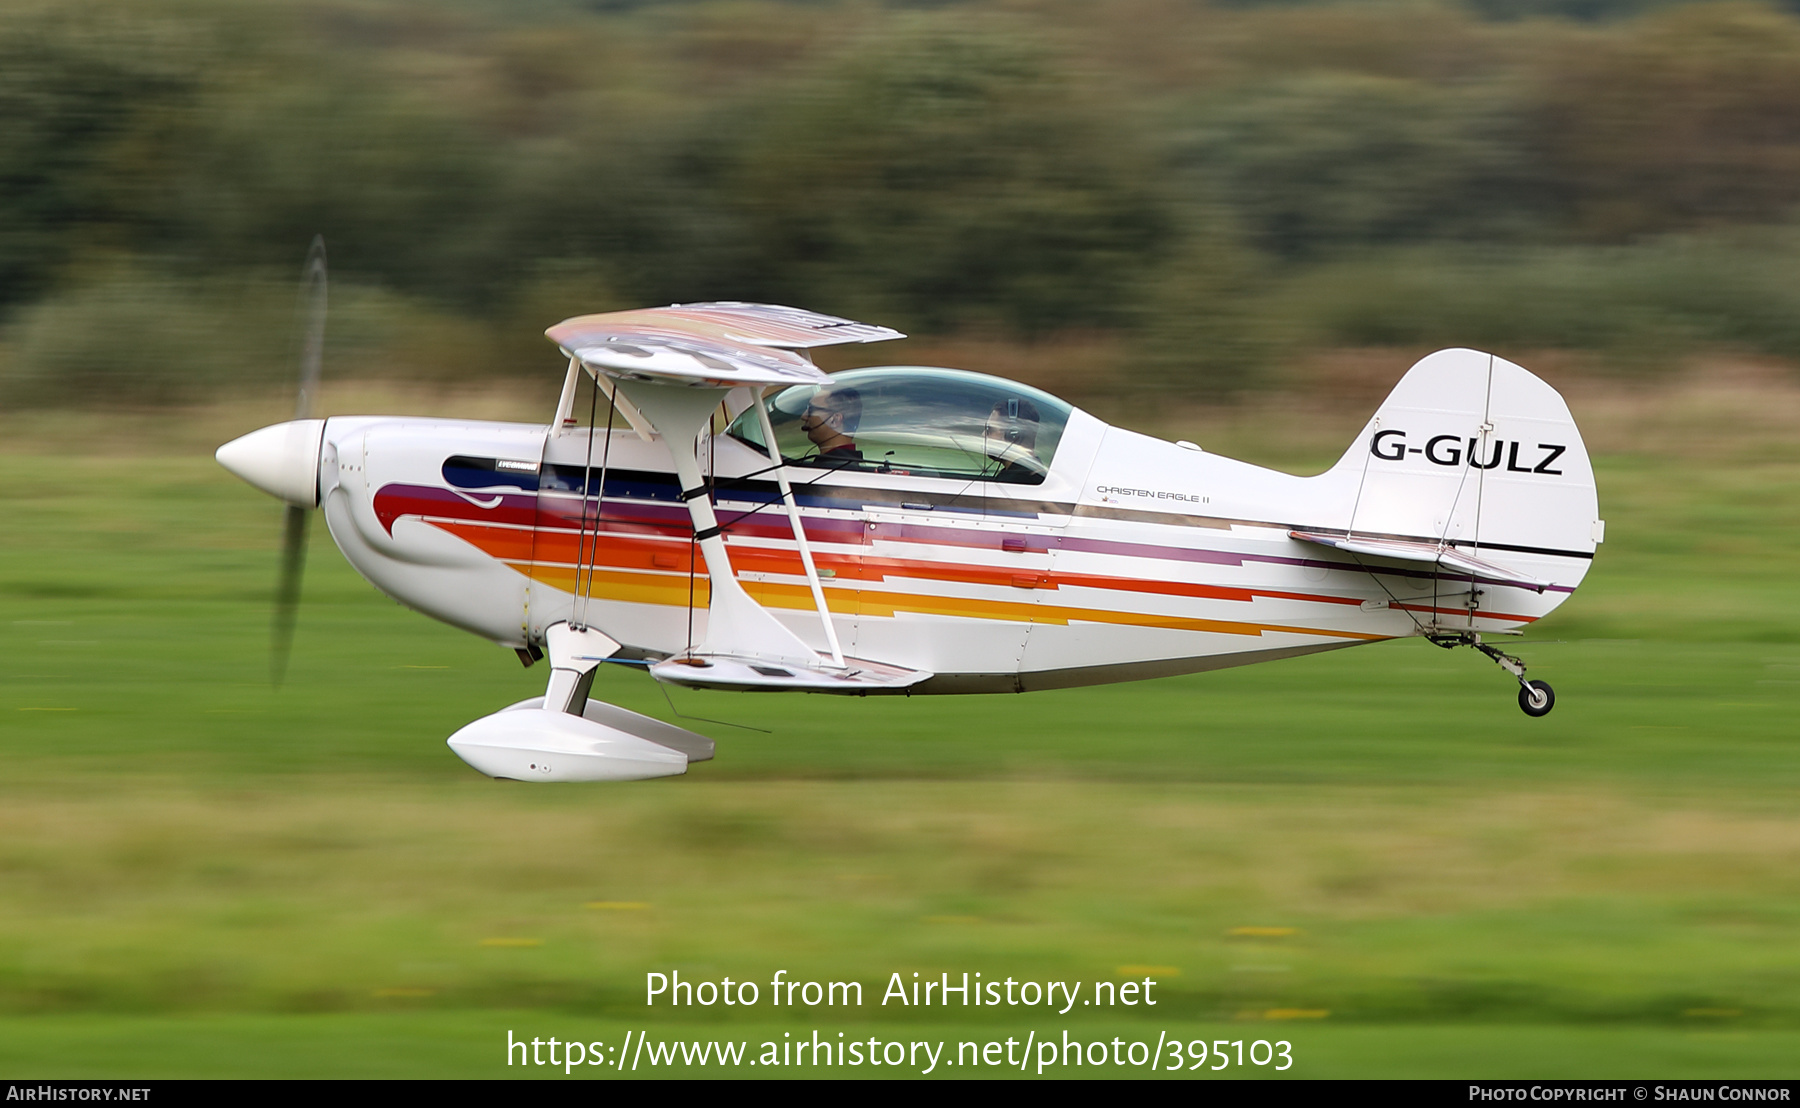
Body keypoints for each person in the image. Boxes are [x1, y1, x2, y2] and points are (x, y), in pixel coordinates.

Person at [983, 397, 1043, 483]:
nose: (983, 434)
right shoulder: (1034, 473)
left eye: (990, 430)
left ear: (1012, 435)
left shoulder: (1015, 481)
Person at [799, 385, 863, 462]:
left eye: (811, 410)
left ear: (835, 420)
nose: (803, 416)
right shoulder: (845, 464)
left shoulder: (832, 469)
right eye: (807, 408)